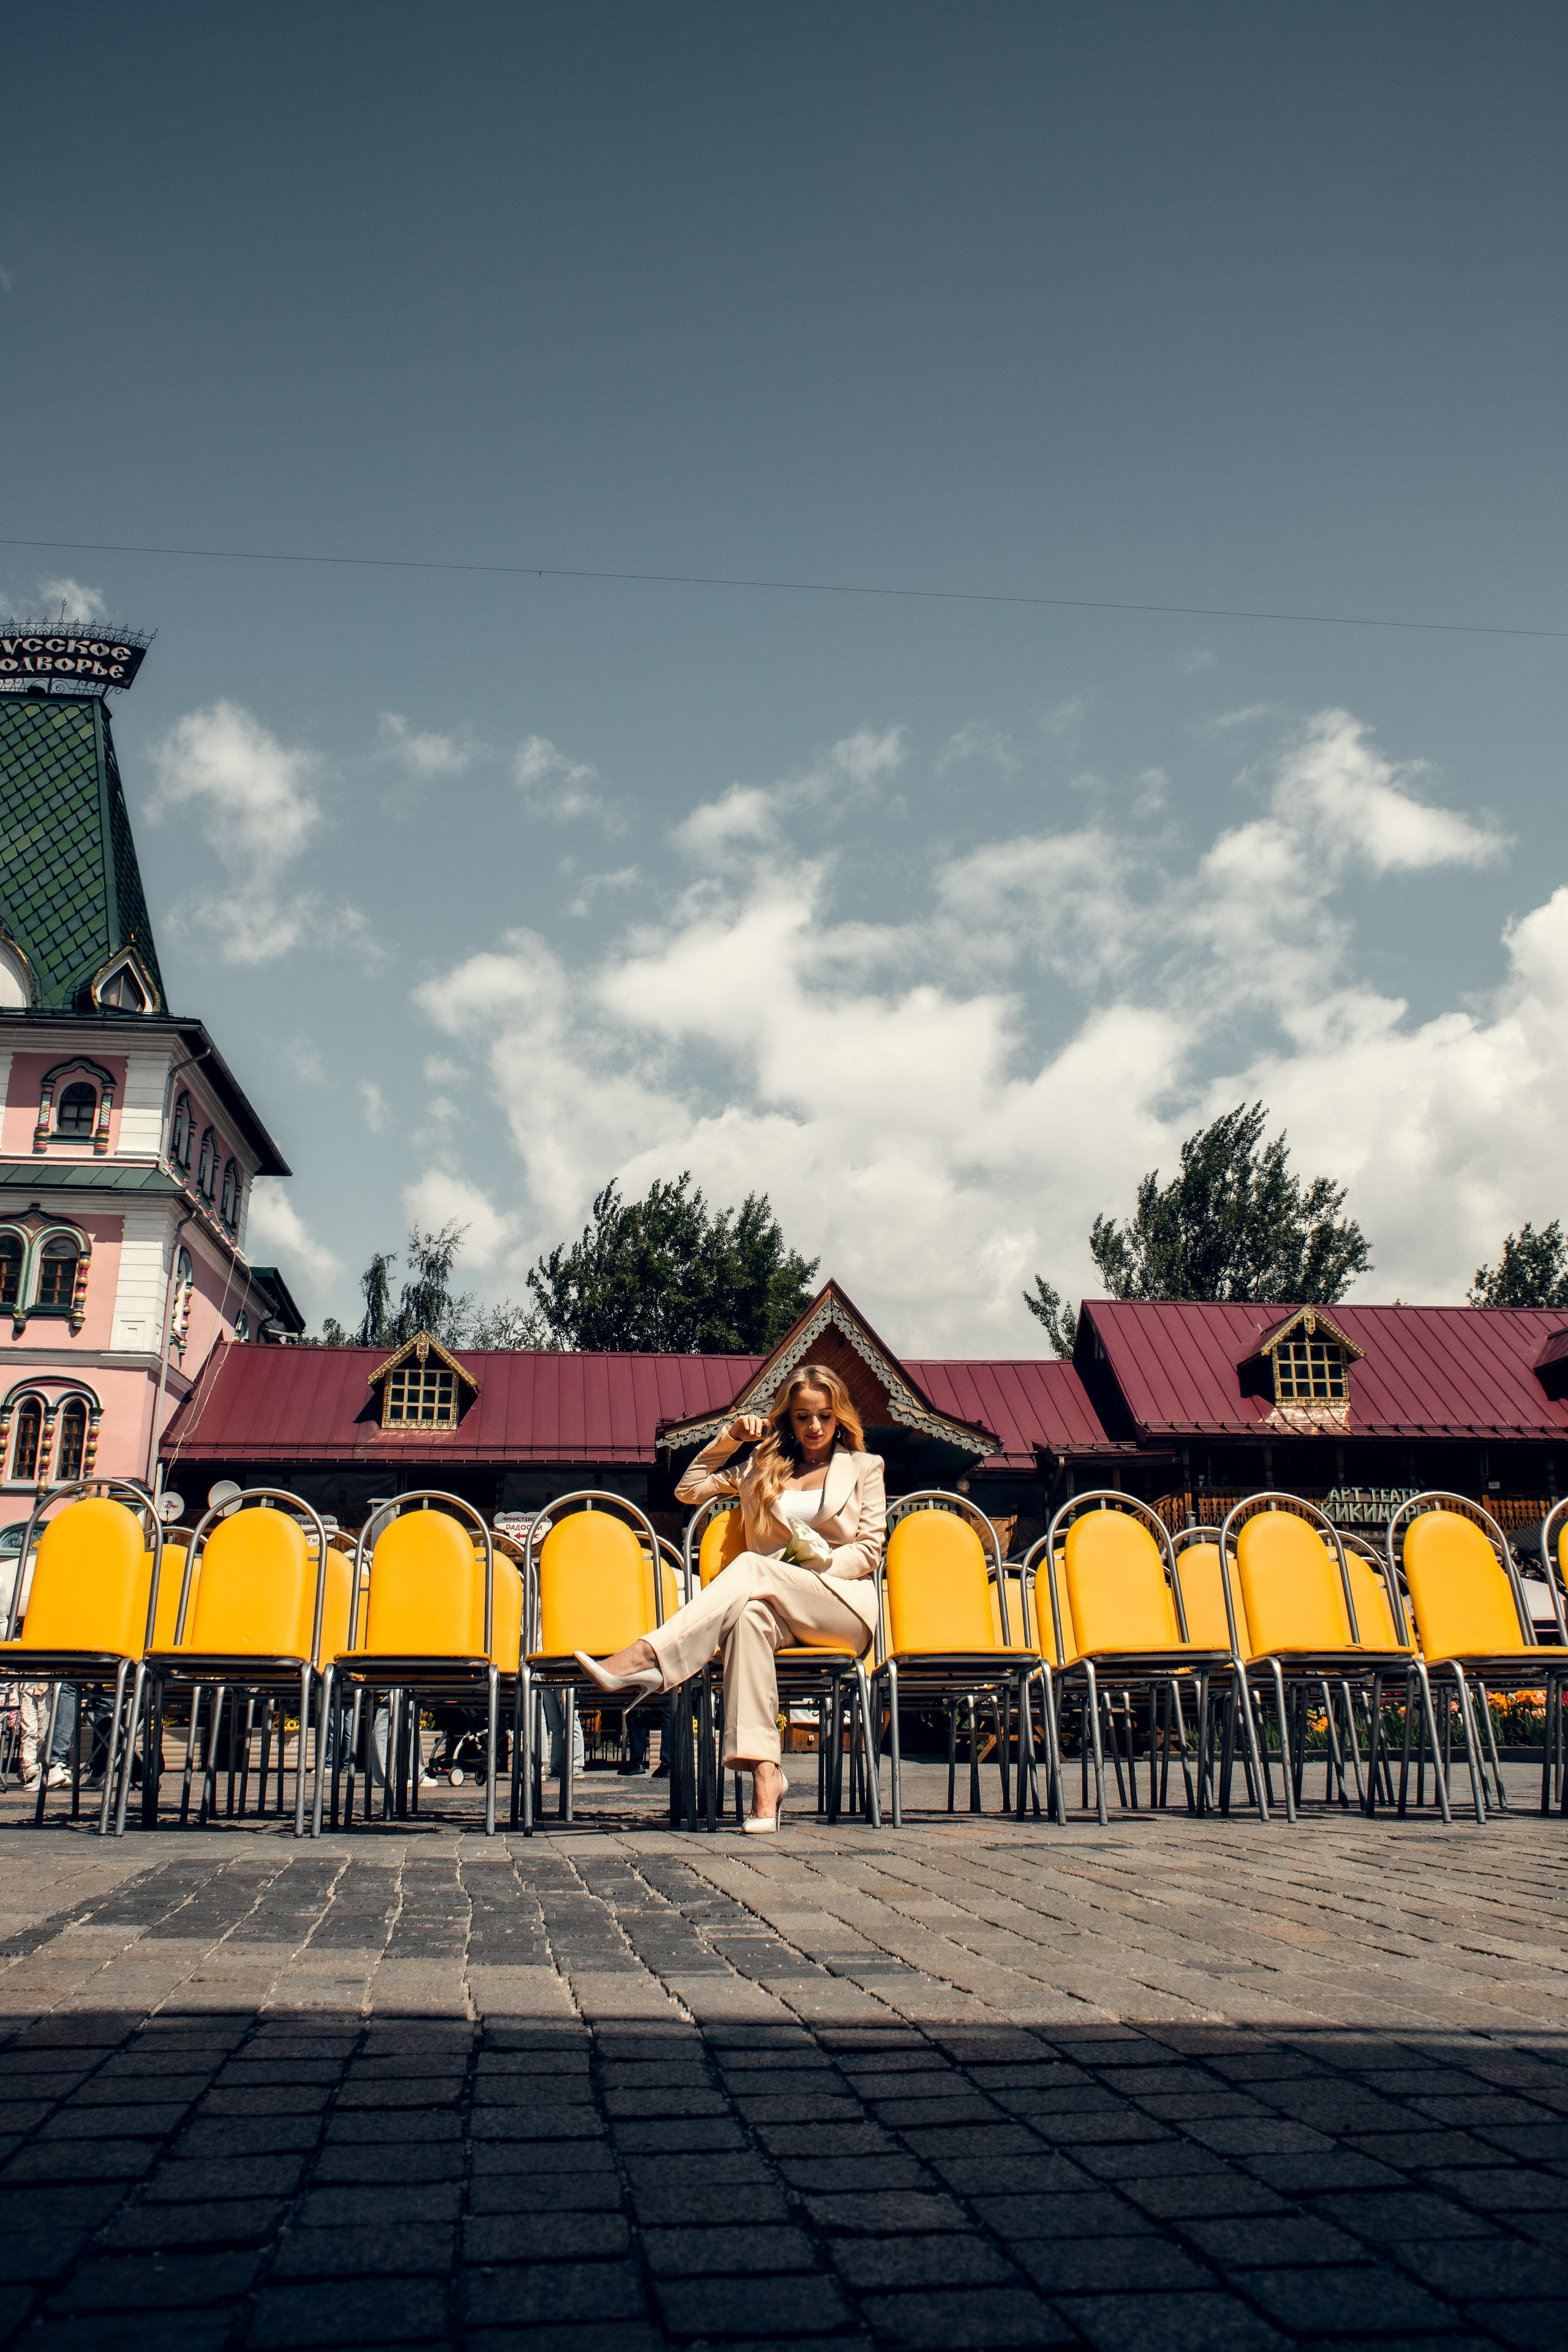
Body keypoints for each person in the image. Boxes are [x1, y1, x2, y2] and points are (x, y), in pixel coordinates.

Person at [578, 1365, 883, 1831]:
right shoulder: (762, 1466)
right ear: (790, 1420)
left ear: (839, 1416)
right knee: (747, 1619)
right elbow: (688, 1489)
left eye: (824, 1415)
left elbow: (868, 1549)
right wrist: (731, 1438)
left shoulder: (865, 1467)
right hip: (776, 1606)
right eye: (803, 1417)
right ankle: (766, 1778)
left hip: (842, 1606)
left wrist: (810, 1565)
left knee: (751, 1567)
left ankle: (646, 1656)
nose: (815, 1427)